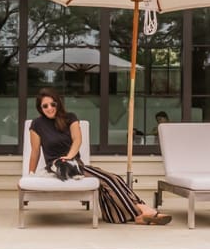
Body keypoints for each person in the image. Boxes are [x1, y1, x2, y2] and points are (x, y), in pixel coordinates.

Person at [27, 90, 170, 225]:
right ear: (40, 108)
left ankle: (115, 216)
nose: (50, 108)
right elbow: (35, 152)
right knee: (109, 179)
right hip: (58, 167)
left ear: (58, 103)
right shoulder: (37, 124)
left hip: (75, 164)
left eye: (53, 104)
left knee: (111, 181)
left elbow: (77, 140)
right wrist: (30, 175)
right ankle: (143, 209)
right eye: (45, 106)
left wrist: (69, 157)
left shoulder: (70, 118)